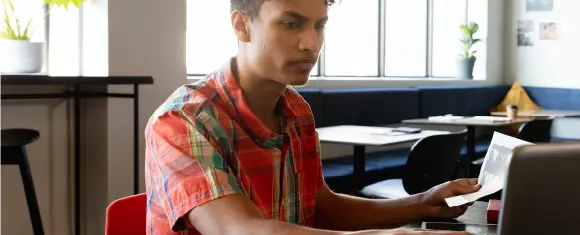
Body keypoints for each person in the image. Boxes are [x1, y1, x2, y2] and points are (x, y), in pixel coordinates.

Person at [144, 0, 479, 234]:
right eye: (291, 24)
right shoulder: (182, 120)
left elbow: (321, 207)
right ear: (241, 25)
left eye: (319, 26)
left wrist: (423, 203)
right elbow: (241, 230)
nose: (311, 43)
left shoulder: (296, 109)